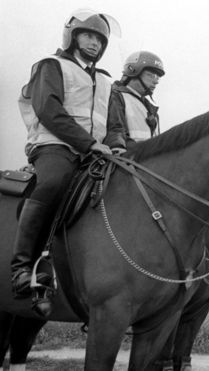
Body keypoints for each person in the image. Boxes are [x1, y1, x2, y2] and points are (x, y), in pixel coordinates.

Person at [12, 9, 121, 299]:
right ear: (72, 37)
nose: (94, 43)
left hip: (94, 153)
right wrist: (88, 143)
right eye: (88, 35)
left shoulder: (107, 82)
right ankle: (22, 267)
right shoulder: (52, 65)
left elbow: (114, 124)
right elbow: (49, 110)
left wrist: (117, 145)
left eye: (100, 39)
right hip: (54, 145)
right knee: (54, 182)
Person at [104, 51, 165, 151]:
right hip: (126, 161)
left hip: (146, 162)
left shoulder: (152, 110)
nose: (156, 81)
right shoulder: (116, 96)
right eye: (150, 75)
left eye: (157, 77)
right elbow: (115, 131)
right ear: (133, 72)